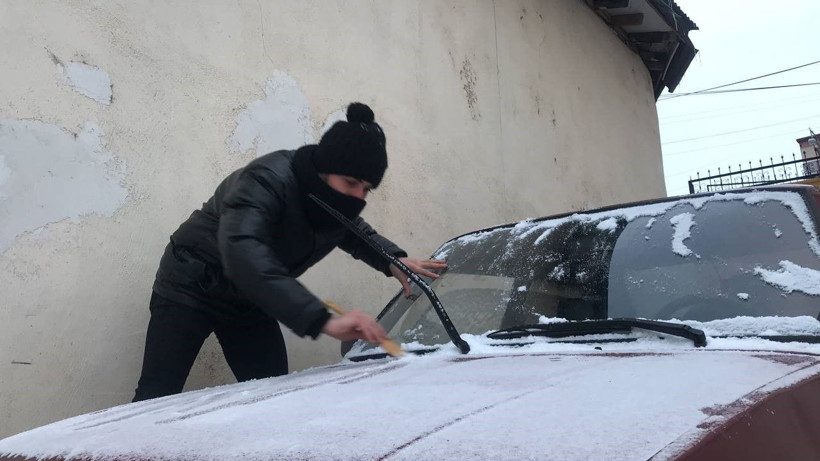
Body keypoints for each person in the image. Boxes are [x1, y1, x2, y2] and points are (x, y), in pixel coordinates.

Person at [133, 102, 446, 402]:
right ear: (326, 167)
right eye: (351, 182)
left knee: (272, 394)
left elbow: (352, 229)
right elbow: (243, 251)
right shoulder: (266, 178)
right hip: (192, 284)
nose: (358, 196)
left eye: (366, 189)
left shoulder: (333, 200)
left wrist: (391, 259)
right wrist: (321, 320)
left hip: (250, 299)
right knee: (156, 393)